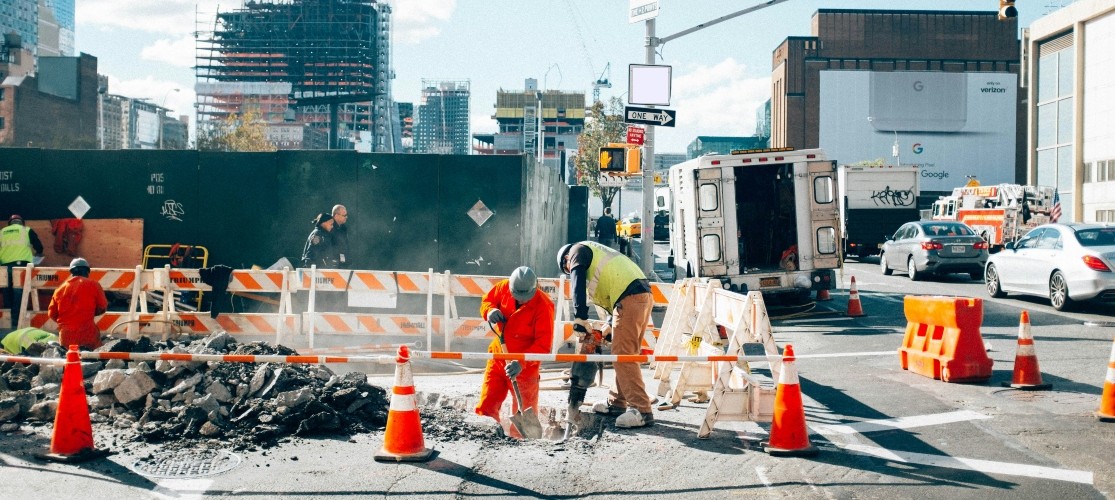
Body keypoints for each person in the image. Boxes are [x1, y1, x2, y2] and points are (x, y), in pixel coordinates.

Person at [557, 241, 655, 428]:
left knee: (623, 355)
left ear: (566, 260)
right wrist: (610, 323)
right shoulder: (598, 253)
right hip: (639, 295)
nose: (570, 271)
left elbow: (577, 279)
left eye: (567, 268)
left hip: (630, 297)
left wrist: (580, 317)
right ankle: (617, 403)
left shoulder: (577, 251)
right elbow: (615, 284)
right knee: (624, 352)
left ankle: (642, 410)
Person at [476, 266, 555, 437]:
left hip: (525, 368)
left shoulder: (543, 306)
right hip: (499, 357)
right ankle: (485, 434)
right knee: (487, 402)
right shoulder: (503, 287)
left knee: (524, 407)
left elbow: (543, 345)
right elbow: (486, 301)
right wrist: (489, 311)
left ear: (534, 289)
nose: (521, 299)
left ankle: (520, 442)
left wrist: (521, 363)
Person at [48, 258, 108, 350]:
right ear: (87, 271)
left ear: (71, 272)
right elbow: (102, 306)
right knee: (94, 360)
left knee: (68, 360)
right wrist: (88, 312)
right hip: (88, 334)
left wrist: (68, 322)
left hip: (66, 337)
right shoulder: (94, 284)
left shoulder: (60, 289)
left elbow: (52, 314)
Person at [2, 214, 44, 322]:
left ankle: (7, 320)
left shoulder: (1, 232)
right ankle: (16, 320)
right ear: (22, 222)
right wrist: (38, 253)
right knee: (19, 291)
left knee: (6, 291)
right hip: (21, 266)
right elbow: (38, 246)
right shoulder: (27, 230)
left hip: (4, 267)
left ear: (10, 223)